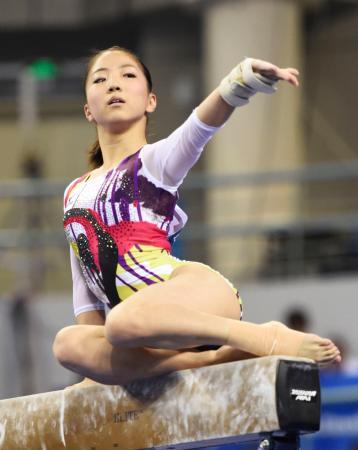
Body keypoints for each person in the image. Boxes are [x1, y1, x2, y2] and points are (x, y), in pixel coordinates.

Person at [53, 46, 341, 387]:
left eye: (128, 76)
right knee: (67, 344)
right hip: (146, 336)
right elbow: (85, 292)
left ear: (151, 102)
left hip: (195, 297)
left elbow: (200, 127)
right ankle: (207, 360)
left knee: (120, 324)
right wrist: (96, 373)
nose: (113, 84)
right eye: (101, 79)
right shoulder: (74, 193)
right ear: (88, 109)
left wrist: (241, 81)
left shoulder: (153, 163)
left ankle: (264, 338)